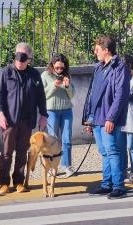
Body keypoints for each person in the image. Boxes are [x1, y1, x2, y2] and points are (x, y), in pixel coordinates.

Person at [0, 42, 48, 194]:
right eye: (18, 56)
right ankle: (4, 183)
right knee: (6, 152)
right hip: (9, 120)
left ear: (29, 58)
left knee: (22, 152)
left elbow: (41, 97)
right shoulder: (5, 73)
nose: (20, 60)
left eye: (23, 57)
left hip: (27, 120)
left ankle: (19, 182)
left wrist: (44, 115)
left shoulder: (34, 75)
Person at [82, 35, 130, 199]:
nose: (95, 52)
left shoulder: (119, 67)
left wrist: (111, 118)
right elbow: (92, 94)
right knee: (104, 152)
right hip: (96, 118)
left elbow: (120, 96)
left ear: (106, 50)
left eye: (97, 49)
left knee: (113, 151)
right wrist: (89, 118)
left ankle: (118, 186)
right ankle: (106, 184)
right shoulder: (98, 67)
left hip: (109, 118)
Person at [41, 54, 75, 177]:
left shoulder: (67, 76)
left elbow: (72, 95)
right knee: (52, 140)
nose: (60, 70)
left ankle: (67, 166)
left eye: (62, 68)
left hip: (67, 110)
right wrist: (53, 86)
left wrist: (67, 86)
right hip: (52, 111)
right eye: (57, 67)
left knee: (67, 139)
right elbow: (42, 94)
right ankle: (50, 167)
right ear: (52, 65)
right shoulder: (45, 75)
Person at [122, 54, 133, 183]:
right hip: (122, 118)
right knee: (122, 146)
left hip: (130, 118)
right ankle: (124, 171)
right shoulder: (122, 78)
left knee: (130, 146)